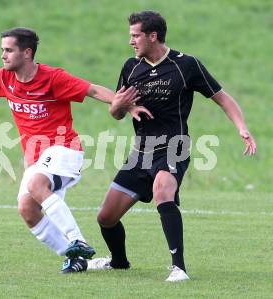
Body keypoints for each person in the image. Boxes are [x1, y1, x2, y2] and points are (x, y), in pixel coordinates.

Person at [0, 27, 150, 273]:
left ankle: (77, 239)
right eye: (2, 50)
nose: (3, 55)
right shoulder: (4, 78)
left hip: (64, 149)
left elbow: (92, 89)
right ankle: (75, 257)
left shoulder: (53, 78)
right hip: (36, 158)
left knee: (36, 184)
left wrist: (125, 105)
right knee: (27, 210)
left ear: (27, 53)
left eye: (9, 50)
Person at [88, 11, 257, 281]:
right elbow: (117, 111)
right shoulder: (131, 67)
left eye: (135, 35)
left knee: (162, 190)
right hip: (140, 152)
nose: (131, 41)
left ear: (152, 36)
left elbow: (222, 98)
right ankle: (118, 262)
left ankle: (179, 268)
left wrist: (242, 127)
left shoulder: (185, 65)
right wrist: (119, 106)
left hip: (174, 146)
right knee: (106, 217)